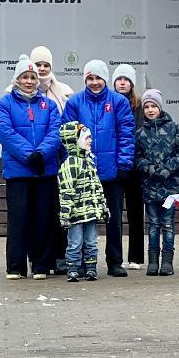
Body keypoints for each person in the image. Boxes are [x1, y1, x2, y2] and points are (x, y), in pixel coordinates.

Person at [62, 60, 134, 277]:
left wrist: (124, 164)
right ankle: (83, 263)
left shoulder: (119, 101)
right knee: (82, 219)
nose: (94, 82)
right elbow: (67, 137)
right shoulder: (74, 102)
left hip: (111, 171)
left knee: (113, 219)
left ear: (105, 79)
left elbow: (126, 134)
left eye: (98, 78)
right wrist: (72, 166)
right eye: (90, 79)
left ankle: (115, 262)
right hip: (83, 173)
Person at [0, 55, 62, 279]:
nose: (29, 81)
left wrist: (41, 154)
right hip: (18, 171)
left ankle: (41, 265)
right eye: (25, 77)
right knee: (18, 219)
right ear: (17, 79)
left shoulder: (49, 105)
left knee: (44, 218)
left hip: (44, 170)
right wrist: (28, 155)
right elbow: (4, 132)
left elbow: (55, 132)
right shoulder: (4, 104)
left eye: (33, 77)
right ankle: (16, 266)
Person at [133, 89, 179, 276]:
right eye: (147, 107)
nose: (150, 110)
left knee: (167, 224)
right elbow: (137, 157)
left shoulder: (174, 128)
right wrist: (149, 168)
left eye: (153, 106)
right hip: (150, 187)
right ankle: (152, 261)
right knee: (153, 224)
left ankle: (167, 261)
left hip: (170, 187)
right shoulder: (141, 133)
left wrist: (168, 168)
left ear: (160, 107)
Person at [57, 121, 107, 282]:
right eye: (86, 138)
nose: (90, 141)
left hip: (90, 212)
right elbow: (66, 191)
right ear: (74, 141)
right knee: (75, 242)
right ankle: (73, 268)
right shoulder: (70, 164)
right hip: (76, 214)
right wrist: (65, 213)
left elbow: (97, 187)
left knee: (91, 242)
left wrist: (103, 207)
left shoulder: (90, 160)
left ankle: (91, 268)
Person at [111, 63, 146, 271]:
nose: (122, 83)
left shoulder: (140, 105)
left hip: (135, 165)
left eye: (126, 79)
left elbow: (141, 132)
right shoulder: (108, 102)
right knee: (115, 212)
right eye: (119, 79)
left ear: (132, 83)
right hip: (114, 165)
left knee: (135, 211)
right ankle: (115, 257)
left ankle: (136, 257)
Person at [29, 45, 74, 111]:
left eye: (46, 65)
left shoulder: (63, 91)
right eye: (38, 65)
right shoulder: (18, 91)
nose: (42, 69)